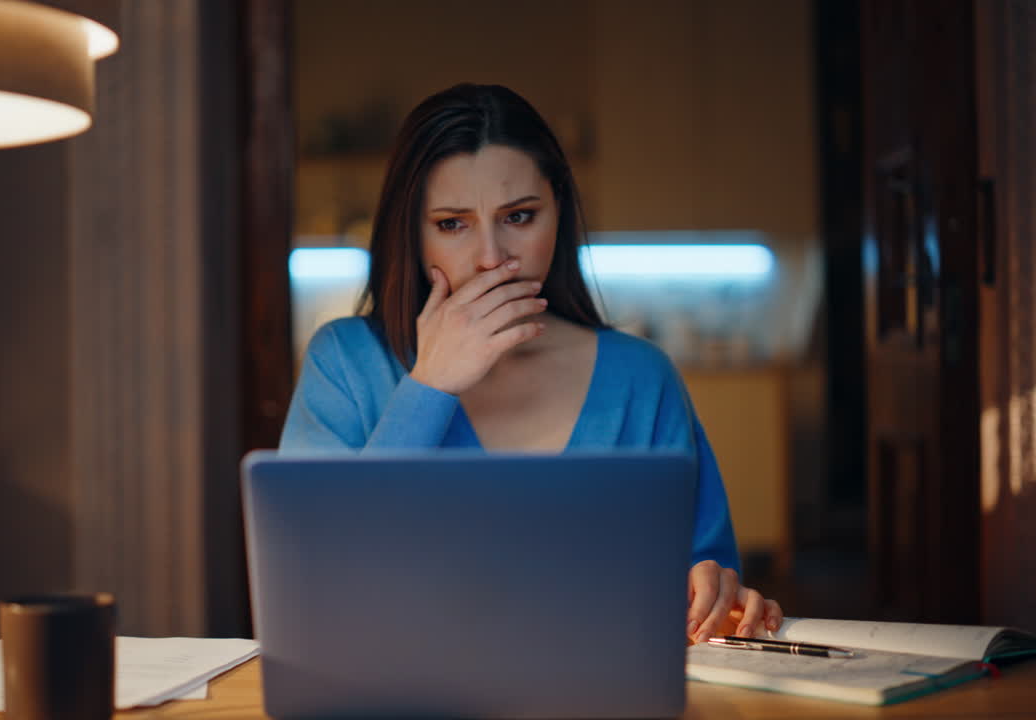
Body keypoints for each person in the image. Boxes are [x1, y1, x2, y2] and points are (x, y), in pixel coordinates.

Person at [279, 83, 783, 643]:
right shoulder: (344, 363)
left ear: (559, 212)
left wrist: (721, 596)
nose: (492, 257)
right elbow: (310, 582)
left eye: (519, 217)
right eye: (451, 224)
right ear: (413, 234)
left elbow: (710, 593)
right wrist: (429, 387)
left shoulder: (643, 378)